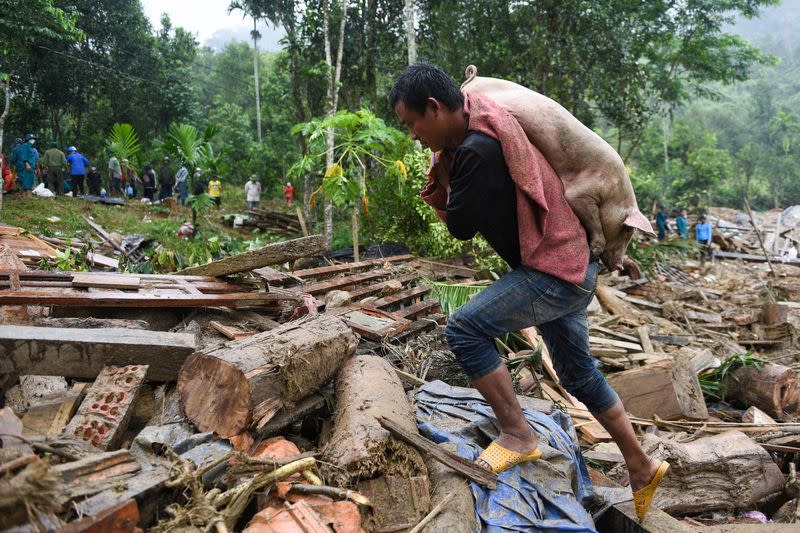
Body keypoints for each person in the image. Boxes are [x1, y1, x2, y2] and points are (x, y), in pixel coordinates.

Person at [389, 63, 667, 520]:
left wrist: (445, 174)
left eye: (412, 123)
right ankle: (641, 465)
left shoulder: (477, 150)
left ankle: (518, 434)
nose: (414, 136)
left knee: (464, 328)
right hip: (573, 259)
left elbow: (458, 226)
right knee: (577, 374)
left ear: (435, 109)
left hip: (556, 271)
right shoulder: (480, 128)